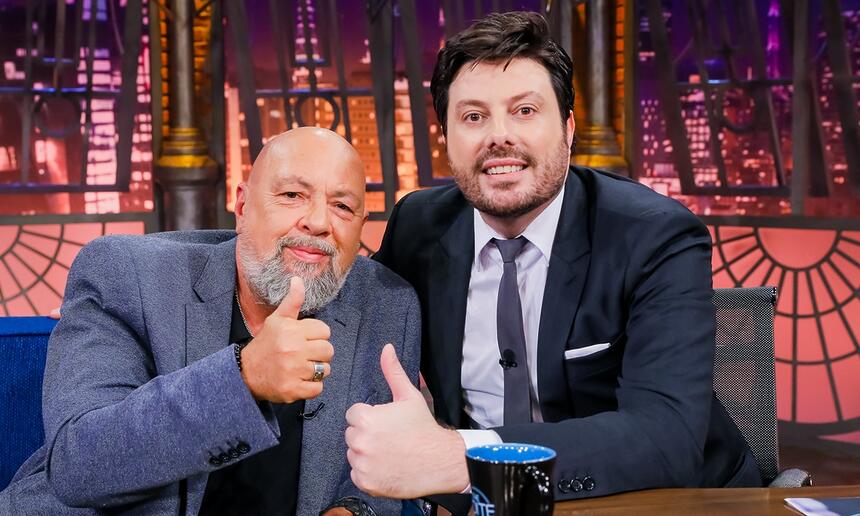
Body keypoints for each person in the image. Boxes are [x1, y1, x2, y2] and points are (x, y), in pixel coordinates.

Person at [344, 11, 761, 512]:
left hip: (657, 499)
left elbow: (666, 437)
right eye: (473, 116)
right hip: (485, 504)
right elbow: (358, 348)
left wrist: (461, 456)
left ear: (568, 129)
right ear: (446, 139)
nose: (499, 136)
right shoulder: (417, 226)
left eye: (524, 111)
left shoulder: (654, 235)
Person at [0, 127, 420, 516]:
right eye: (292, 195)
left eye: (342, 206)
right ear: (242, 205)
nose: (318, 222)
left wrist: (352, 510)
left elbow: (374, 470)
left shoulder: (386, 303)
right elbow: (82, 466)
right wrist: (245, 377)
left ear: (362, 226)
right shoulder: (127, 275)